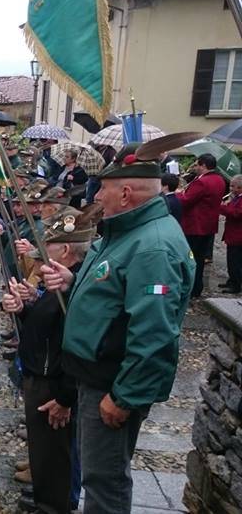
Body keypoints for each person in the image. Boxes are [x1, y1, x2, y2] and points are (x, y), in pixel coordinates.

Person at [41, 140, 195, 513]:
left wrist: (125, 396)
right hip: (94, 375)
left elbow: (155, 332)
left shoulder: (152, 247)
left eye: (104, 189)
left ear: (125, 193)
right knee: (98, 474)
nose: (98, 196)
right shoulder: (126, 233)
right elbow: (113, 291)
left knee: (104, 482)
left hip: (110, 383)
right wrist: (72, 282)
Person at [2, 205, 100, 513]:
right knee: (46, 455)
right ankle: (46, 495)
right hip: (42, 374)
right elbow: (44, 326)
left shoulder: (76, 288)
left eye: (50, 244)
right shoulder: (59, 284)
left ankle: (55, 503)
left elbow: (78, 345)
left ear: (67, 249)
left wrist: (65, 396)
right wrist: (25, 307)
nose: (43, 250)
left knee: (58, 458)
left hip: (55, 383)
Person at [177, 153, 224, 297]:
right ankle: (197, 287)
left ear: (203, 165)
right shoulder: (219, 179)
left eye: (197, 165)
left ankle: (191, 287)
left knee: (190, 258)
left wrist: (177, 194)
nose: (195, 167)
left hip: (195, 225)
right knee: (199, 258)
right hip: (208, 225)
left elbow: (187, 200)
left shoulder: (202, 182)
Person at [220, 175, 242, 293]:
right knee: (232, 260)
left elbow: (237, 213)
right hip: (233, 233)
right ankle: (232, 280)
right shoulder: (236, 198)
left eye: (234, 186)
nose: (231, 189)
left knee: (235, 261)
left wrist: (223, 208)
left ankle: (236, 285)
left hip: (237, 235)